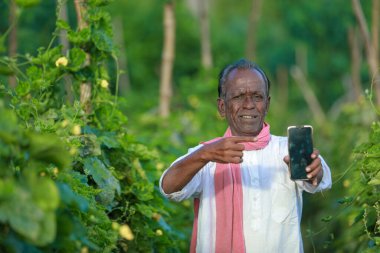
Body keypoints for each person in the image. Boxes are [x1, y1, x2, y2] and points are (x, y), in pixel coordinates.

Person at [159, 59, 332, 253]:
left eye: (257, 97)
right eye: (239, 96)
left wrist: (312, 171)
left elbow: (319, 178)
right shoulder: (207, 154)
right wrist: (204, 155)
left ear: (267, 104)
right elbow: (168, 188)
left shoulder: (287, 149)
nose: (249, 105)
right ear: (222, 107)